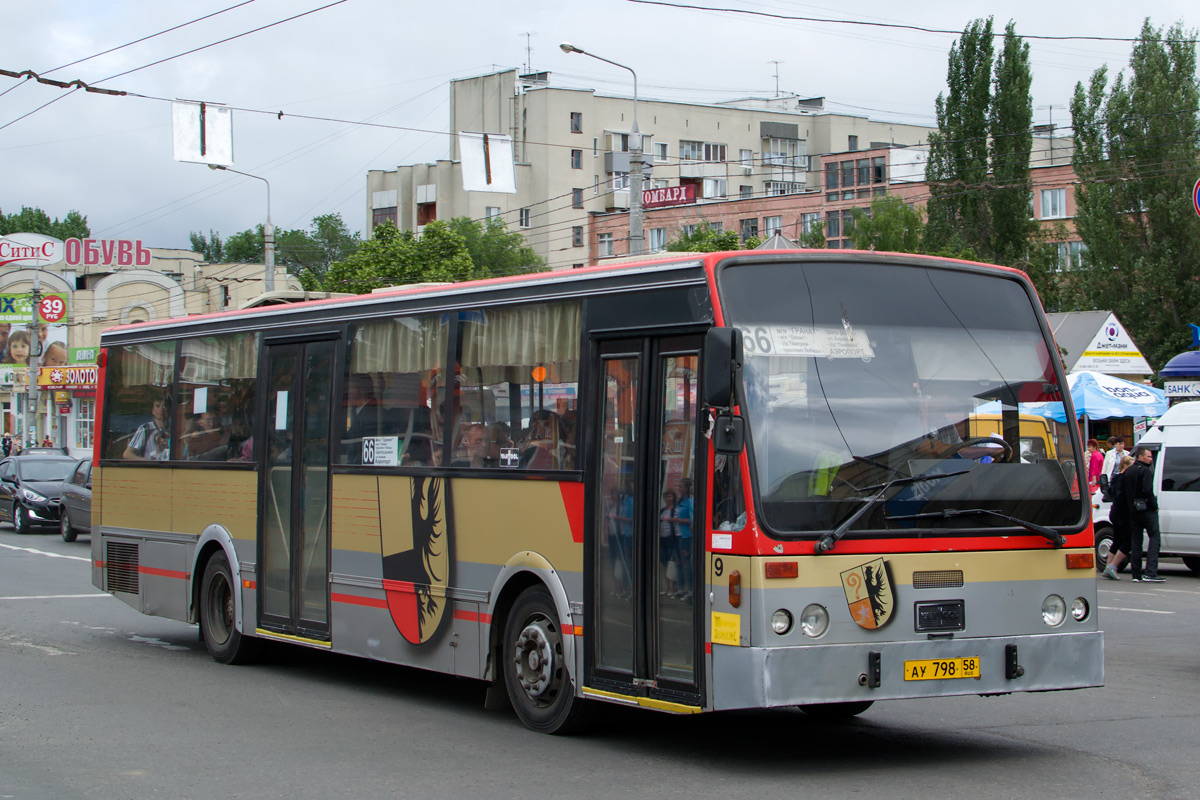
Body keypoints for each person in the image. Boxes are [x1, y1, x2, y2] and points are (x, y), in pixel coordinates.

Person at [1126, 446, 1164, 583]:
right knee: (1154, 539)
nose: (1151, 458)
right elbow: (1148, 491)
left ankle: (1136, 574)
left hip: (1133, 511)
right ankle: (1150, 572)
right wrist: (1155, 506)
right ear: (1140, 457)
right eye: (1148, 456)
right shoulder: (1146, 471)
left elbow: (1125, 493)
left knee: (1136, 542)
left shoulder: (1128, 471)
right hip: (1147, 510)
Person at [1102, 455, 1136, 580]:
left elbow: (1110, 493)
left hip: (1114, 512)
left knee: (1117, 540)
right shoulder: (1125, 479)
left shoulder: (1115, 477)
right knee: (1128, 542)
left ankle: (1107, 567)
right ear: (1126, 466)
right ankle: (1113, 567)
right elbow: (1123, 497)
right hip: (1123, 513)